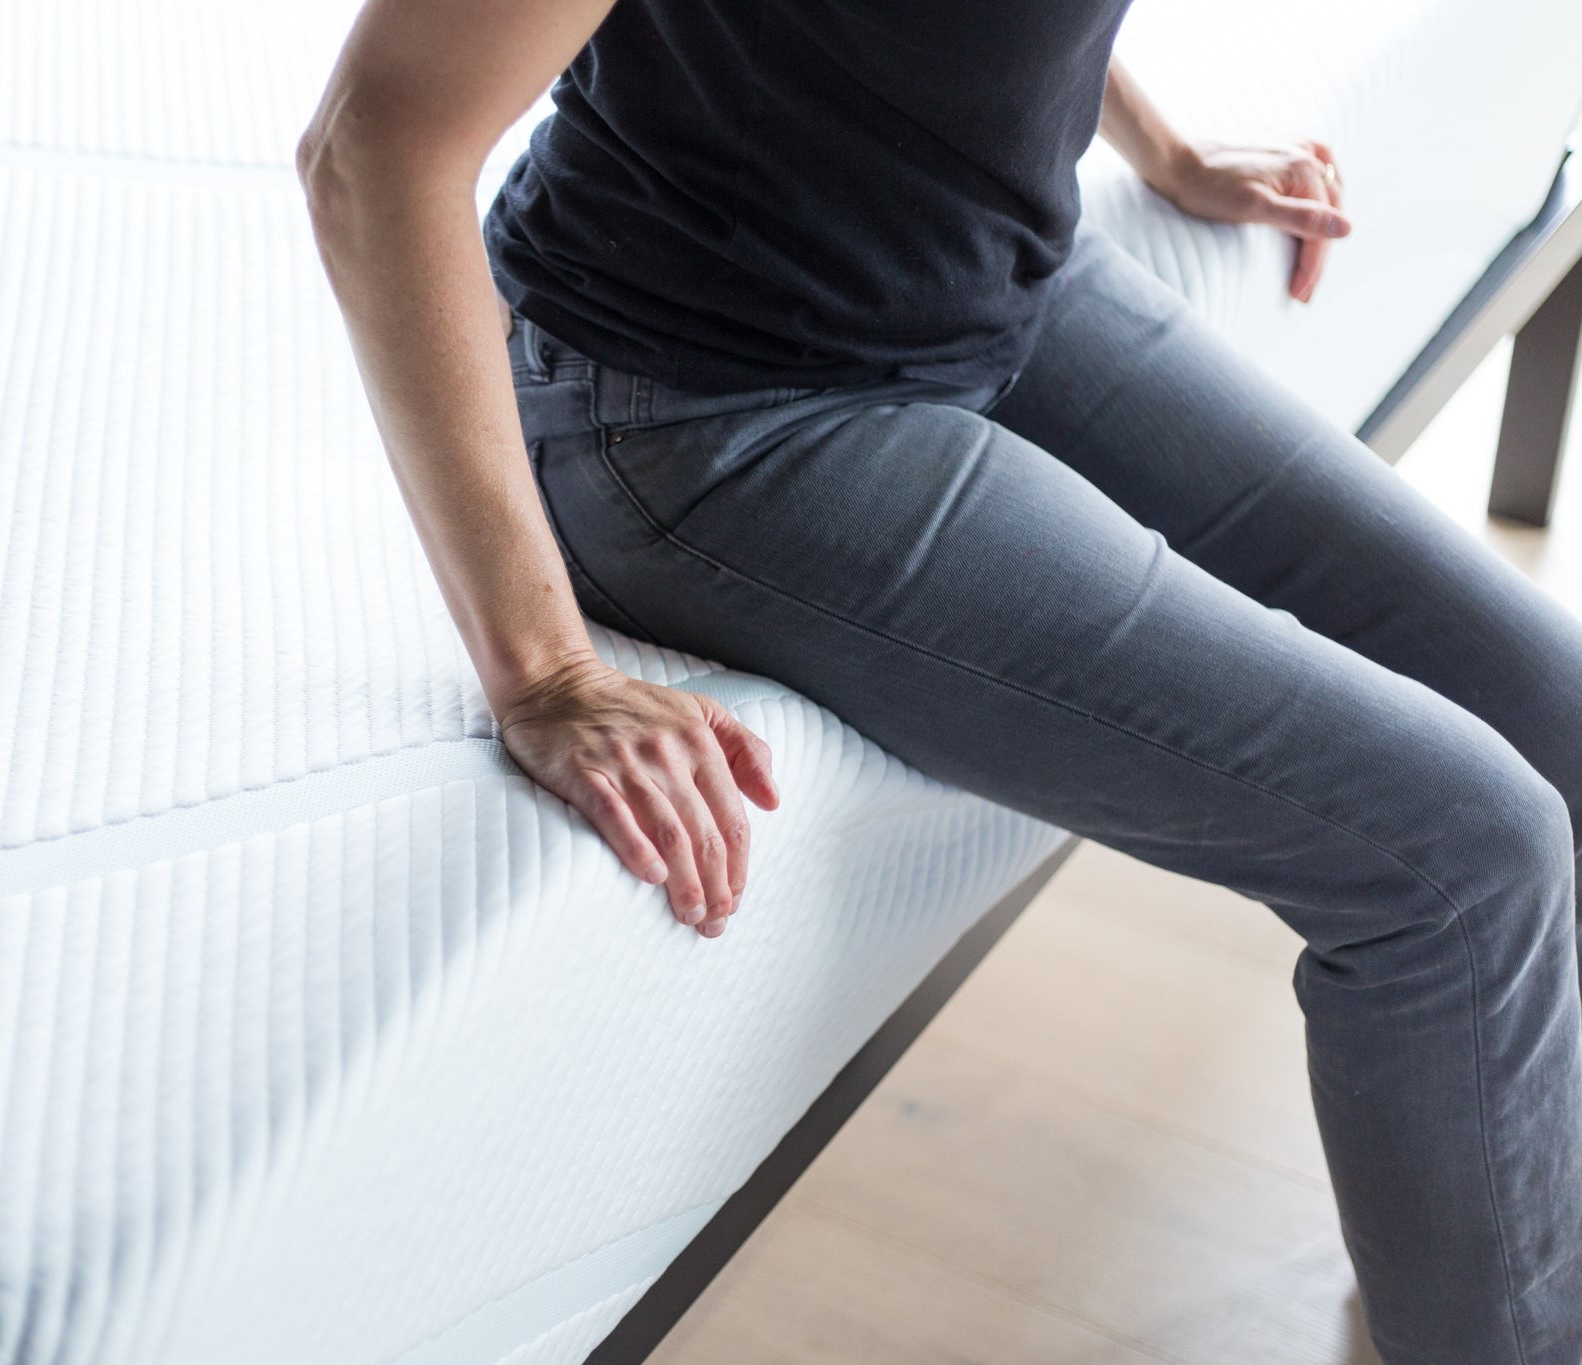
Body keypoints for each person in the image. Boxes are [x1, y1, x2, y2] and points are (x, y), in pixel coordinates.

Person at [296, 2, 1582, 1359]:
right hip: (708, 400)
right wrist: (542, 667)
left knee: (1557, 715)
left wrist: (1150, 137)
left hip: (1001, 281)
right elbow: (369, 146)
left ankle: (1467, 1270)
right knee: (1465, 862)